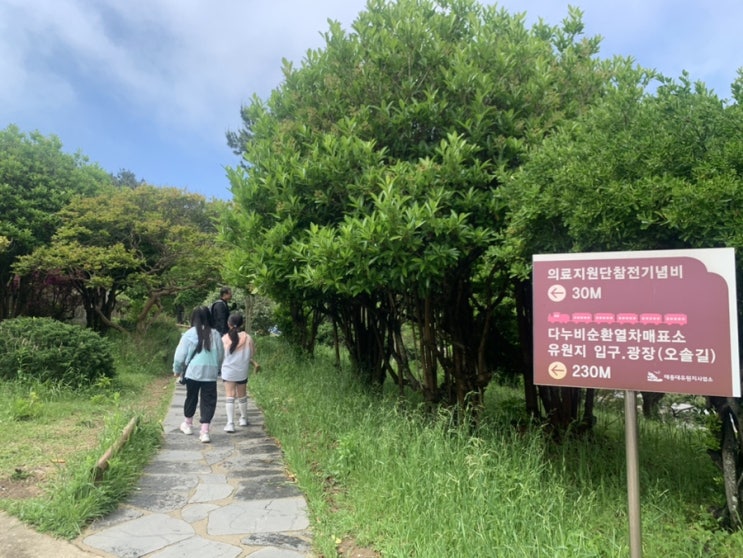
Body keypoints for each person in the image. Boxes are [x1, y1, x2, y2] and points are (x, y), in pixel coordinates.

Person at [172, 306, 224, 443]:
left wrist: (177, 370)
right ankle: (204, 432)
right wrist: (217, 368)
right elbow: (220, 355)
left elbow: (179, 356)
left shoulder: (189, 334)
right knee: (208, 401)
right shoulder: (216, 334)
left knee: (191, 397)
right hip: (210, 373)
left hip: (193, 372)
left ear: (193, 318)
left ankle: (188, 424)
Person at [221, 312, 260, 432]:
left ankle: (230, 423)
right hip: (242, 371)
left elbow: (220, 355)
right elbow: (252, 353)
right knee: (242, 394)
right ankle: (243, 418)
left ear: (228, 324)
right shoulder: (248, 338)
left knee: (230, 395)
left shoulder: (224, 338)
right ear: (242, 324)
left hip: (228, 371)